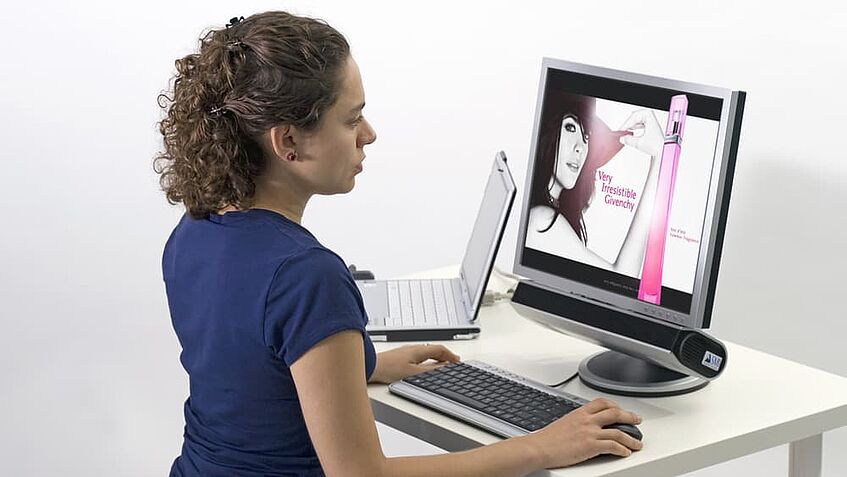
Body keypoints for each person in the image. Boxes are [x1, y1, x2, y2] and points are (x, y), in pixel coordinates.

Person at [154, 11, 643, 477]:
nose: (369, 134)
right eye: (351, 120)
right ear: (288, 143)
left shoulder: (194, 232)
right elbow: (363, 474)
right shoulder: (307, 275)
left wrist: (364, 364)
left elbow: (250, 377)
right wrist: (540, 447)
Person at [526, 92, 665, 274]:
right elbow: (623, 278)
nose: (580, 146)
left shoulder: (548, 214)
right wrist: (661, 157)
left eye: (586, 137)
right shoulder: (542, 219)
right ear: (548, 132)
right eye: (570, 127)